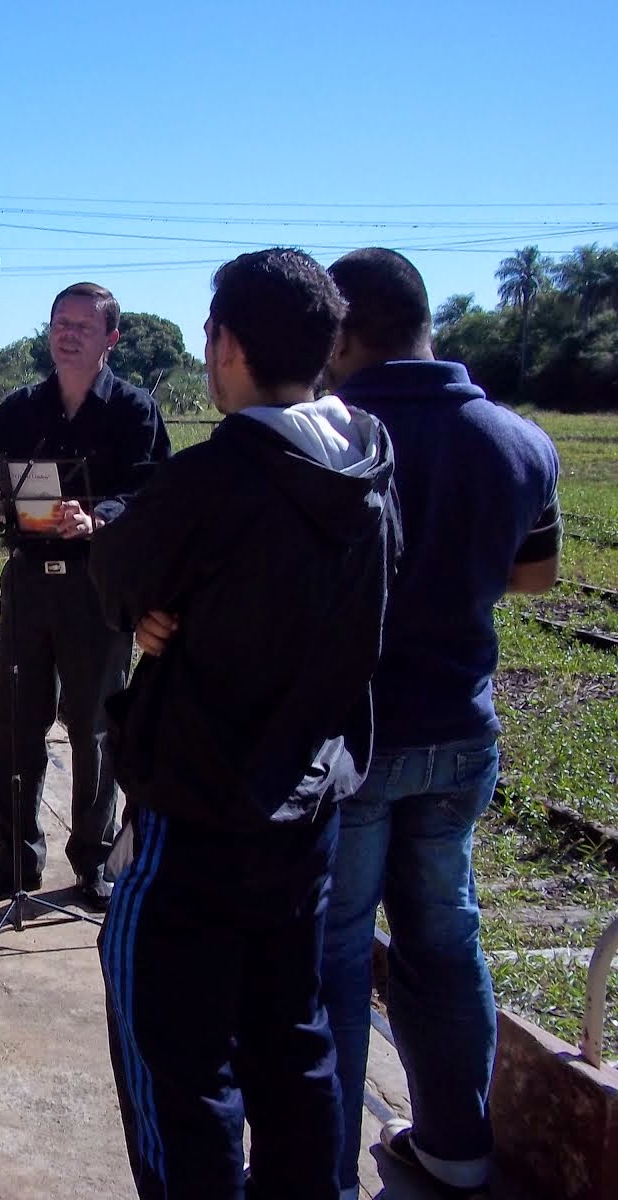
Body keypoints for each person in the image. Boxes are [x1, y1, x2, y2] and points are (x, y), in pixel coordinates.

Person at [89, 248, 400, 1199]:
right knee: (292, 1039)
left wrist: (150, 611)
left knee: (175, 1061)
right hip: (307, 801)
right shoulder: (374, 467)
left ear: (224, 345)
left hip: (194, 811)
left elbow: (118, 577)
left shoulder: (216, 477)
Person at [318, 249, 561, 1200]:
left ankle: (324, 1162)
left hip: (358, 738)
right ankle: (458, 1145)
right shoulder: (517, 439)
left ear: (342, 334)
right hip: (462, 732)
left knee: (334, 951)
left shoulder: (335, 433)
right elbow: (534, 575)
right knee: (445, 936)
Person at [0, 282, 170, 908]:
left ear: (110, 340)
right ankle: (13, 856)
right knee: (12, 725)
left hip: (98, 589)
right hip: (29, 583)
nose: (66, 334)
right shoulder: (21, 408)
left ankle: (95, 862)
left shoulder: (134, 411)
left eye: (82, 327)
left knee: (95, 728)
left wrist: (100, 518)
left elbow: (154, 494)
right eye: (58, 323)